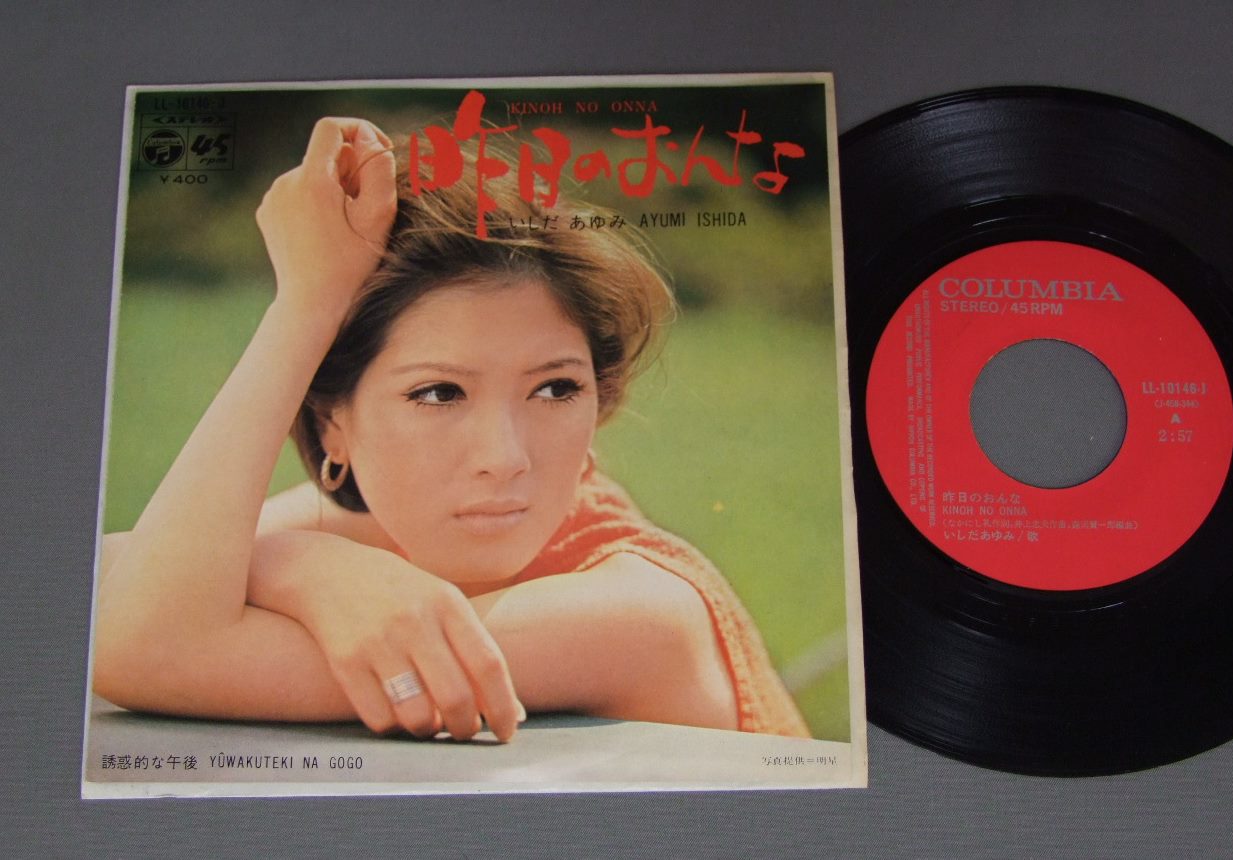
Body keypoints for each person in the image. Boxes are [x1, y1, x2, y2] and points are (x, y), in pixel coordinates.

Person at [93, 117, 808, 743]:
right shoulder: (386, 526)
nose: (504, 458)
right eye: (439, 393)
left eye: (555, 388)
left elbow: (148, 645)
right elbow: (112, 575)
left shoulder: (638, 619)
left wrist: (305, 308)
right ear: (332, 424)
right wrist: (309, 565)